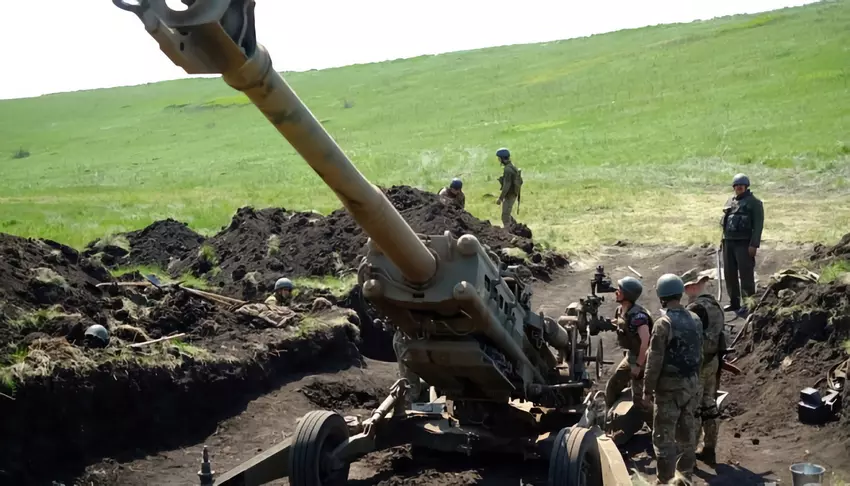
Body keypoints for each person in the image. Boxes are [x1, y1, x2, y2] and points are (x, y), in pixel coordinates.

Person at [643, 274, 703, 485]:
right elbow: (699, 354)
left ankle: (665, 481)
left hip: (668, 390)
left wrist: (647, 390)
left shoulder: (663, 323)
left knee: (664, 438)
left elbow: (654, 361)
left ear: (662, 297)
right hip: (691, 385)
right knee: (688, 435)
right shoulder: (695, 319)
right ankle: (684, 479)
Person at [681, 269, 726, 466]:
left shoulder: (695, 308)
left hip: (698, 364)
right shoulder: (716, 305)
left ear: (692, 286)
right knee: (710, 405)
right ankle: (709, 449)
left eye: (687, 287)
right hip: (713, 360)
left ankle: (688, 452)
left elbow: (686, 339)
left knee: (694, 409)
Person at [604, 276, 653, 422]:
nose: (616, 292)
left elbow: (646, 342)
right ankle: (610, 421)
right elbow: (621, 324)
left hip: (642, 359)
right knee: (613, 386)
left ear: (628, 295)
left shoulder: (638, 317)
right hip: (631, 356)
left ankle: (656, 429)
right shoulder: (621, 310)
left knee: (639, 400)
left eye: (620, 290)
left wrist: (638, 365)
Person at [720, 173, 764, 316]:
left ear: (746, 187)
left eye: (741, 185)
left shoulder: (754, 203)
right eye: (737, 185)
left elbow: (758, 225)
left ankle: (748, 303)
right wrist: (722, 241)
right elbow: (725, 222)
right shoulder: (729, 201)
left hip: (744, 243)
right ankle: (734, 302)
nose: (739, 187)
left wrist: (754, 244)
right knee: (729, 273)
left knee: (746, 274)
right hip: (729, 242)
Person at [495, 148, 520, 227]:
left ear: (502, 158)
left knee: (505, 217)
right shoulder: (512, 166)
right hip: (513, 194)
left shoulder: (508, 170)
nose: (499, 160)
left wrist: (500, 198)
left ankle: (508, 233)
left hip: (510, 195)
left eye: (499, 158)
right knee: (507, 214)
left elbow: (506, 185)